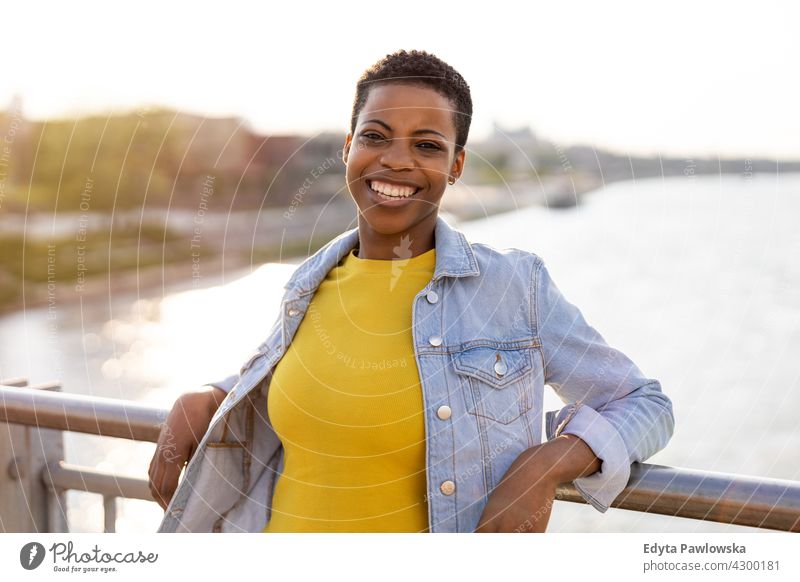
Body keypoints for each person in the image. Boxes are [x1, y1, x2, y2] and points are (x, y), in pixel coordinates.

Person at [149, 49, 675, 533]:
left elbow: (644, 404)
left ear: (456, 165)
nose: (397, 160)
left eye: (427, 145)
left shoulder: (514, 288)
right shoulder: (308, 282)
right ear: (348, 146)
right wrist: (208, 397)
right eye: (375, 136)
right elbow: (305, 380)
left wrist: (544, 465)